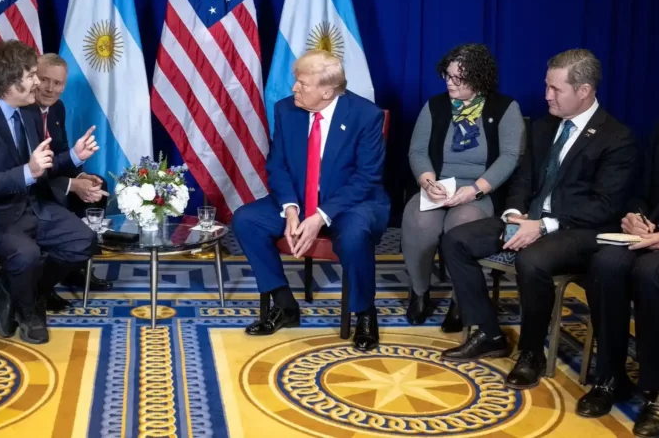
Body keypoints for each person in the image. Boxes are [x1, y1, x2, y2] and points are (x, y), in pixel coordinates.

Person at [440, 49, 637, 391]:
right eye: (546, 86)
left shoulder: (617, 138)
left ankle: (531, 353)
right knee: (456, 240)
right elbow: (523, 179)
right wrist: (513, 213)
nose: (546, 95)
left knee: (532, 260)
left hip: (579, 231)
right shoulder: (544, 126)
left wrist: (544, 225)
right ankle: (489, 333)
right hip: (528, 219)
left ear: (584, 91)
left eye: (555, 89)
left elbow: (605, 207)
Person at [0, 40, 100, 344]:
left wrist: (74, 157)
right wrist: (28, 171)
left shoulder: (28, 112)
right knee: (27, 254)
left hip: (27, 205)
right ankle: (29, 312)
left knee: (84, 241)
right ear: (8, 81)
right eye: (31, 75)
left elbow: (42, 168)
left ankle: (21, 288)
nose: (38, 83)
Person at [232, 50, 390, 350]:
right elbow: (277, 165)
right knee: (246, 219)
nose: (294, 88)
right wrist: (291, 209)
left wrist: (320, 216)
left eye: (302, 83)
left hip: (350, 203)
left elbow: (366, 178)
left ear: (327, 91)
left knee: (355, 236)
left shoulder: (366, 115)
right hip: (300, 198)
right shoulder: (286, 110)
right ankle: (284, 305)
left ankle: (364, 314)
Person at [402, 44, 524, 326]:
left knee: (461, 225)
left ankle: (461, 298)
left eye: (458, 78)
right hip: (438, 184)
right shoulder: (435, 106)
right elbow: (417, 151)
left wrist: (475, 190)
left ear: (479, 78)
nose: (450, 82)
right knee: (419, 222)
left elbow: (510, 156)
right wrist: (428, 182)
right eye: (447, 75)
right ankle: (419, 292)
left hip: (480, 190)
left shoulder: (505, 108)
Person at [578, 114, 659, 437]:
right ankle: (611, 377)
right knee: (606, 263)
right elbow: (642, 194)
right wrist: (635, 217)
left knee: (652, 272)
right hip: (655, 233)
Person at [34, 53, 111, 309]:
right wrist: (72, 184)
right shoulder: (23, 110)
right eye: (44, 80)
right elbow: (33, 171)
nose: (50, 88)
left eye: (57, 83)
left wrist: (80, 177)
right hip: (31, 187)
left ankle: (75, 266)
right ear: (33, 78)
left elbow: (61, 153)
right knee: (61, 196)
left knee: (98, 185)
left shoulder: (57, 108)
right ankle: (43, 286)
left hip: (52, 177)